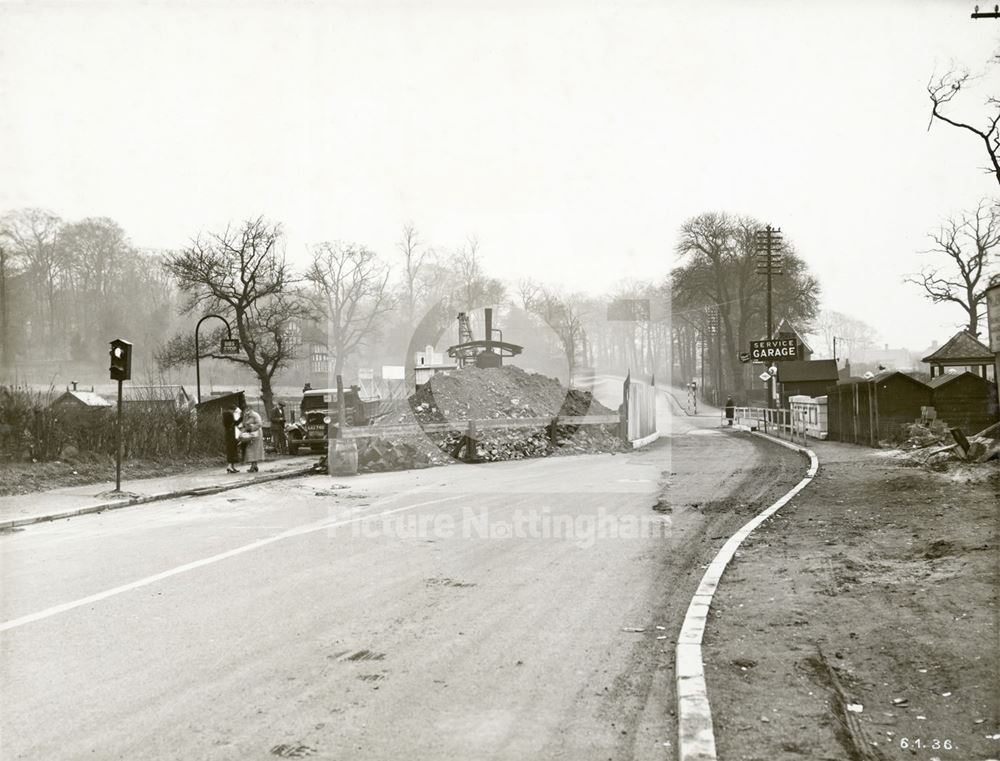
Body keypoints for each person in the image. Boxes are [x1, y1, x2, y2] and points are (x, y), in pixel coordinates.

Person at [240, 406, 265, 473]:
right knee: (251, 450)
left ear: (250, 410)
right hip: (250, 434)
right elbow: (244, 424)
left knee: (254, 449)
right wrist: (243, 430)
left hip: (256, 434)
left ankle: (253, 466)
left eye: (247, 410)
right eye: (245, 410)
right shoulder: (246, 416)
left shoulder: (255, 415)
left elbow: (259, 424)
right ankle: (254, 465)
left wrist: (251, 428)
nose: (246, 412)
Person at [222, 404, 241, 473]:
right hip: (231, 434)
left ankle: (232, 467)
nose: (234, 412)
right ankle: (230, 466)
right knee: (232, 449)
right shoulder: (229, 414)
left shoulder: (225, 414)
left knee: (231, 449)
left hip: (229, 433)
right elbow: (234, 423)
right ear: (232, 410)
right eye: (234, 411)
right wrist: (240, 419)